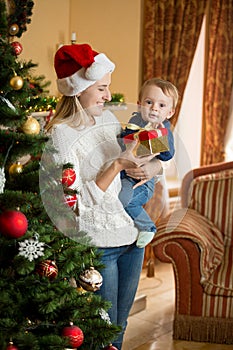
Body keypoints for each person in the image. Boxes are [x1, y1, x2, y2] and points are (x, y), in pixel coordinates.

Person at [45, 43, 162, 349]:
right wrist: (117, 166)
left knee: (119, 329)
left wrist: (146, 167)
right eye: (102, 88)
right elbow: (73, 204)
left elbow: (133, 164)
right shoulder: (59, 135)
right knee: (100, 335)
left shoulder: (109, 120)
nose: (109, 96)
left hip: (130, 239)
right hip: (98, 247)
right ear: (78, 89)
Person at [119, 78, 178, 248]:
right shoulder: (134, 122)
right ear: (139, 105)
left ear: (170, 112)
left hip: (143, 181)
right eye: (149, 102)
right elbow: (123, 143)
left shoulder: (164, 129)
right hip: (125, 174)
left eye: (161, 105)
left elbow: (167, 156)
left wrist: (158, 137)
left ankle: (147, 227)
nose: (154, 108)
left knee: (125, 199)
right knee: (115, 195)